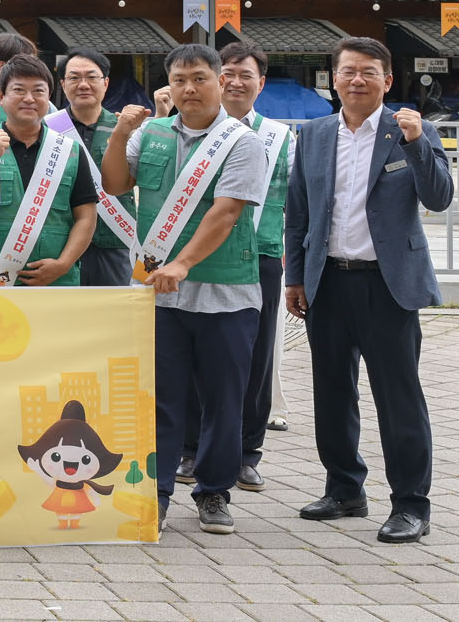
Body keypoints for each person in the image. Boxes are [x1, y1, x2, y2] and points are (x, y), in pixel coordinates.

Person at [286, 37, 447, 545]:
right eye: (348, 71)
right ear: (334, 79)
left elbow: (440, 197)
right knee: (332, 392)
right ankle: (344, 489)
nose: (357, 80)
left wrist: (417, 144)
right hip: (328, 281)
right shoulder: (314, 134)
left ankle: (411, 505)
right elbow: (298, 211)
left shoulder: (410, 130)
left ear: (387, 80)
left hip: (388, 284)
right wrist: (295, 277)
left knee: (398, 397)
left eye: (369, 72)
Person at [100, 43, 265, 536]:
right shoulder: (150, 133)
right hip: (159, 295)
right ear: (168, 84)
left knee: (223, 400)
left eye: (199, 78)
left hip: (226, 293)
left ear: (220, 81)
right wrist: (120, 134)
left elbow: (227, 211)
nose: (188, 88)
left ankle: (214, 492)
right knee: (161, 399)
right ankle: (156, 493)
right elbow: (114, 184)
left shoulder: (242, 142)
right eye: (179, 80)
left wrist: (184, 262)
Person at [178, 41, 293, 492]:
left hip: (259, 256)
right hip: (198, 257)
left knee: (256, 359)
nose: (237, 82)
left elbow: (298, 201)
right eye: (228, 73)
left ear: (261, 83)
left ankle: (247, 452)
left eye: (248, 75)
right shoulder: (192, 130)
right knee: (192, 357)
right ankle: (191, 448)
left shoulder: (281, 137)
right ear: (217, 77)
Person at [0, 55, 97, 288]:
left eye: (38, 91)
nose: (29, 99)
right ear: (0, 96)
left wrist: (63, 264)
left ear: (48, 97)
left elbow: (86, 216)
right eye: (19, 90)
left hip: (56, 281)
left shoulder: (69, 150)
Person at [49, 49, 140, 288]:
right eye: (74, 78)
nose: (83, 84)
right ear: (63, 84)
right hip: (59, 241)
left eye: (91, 77)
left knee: (115, 308)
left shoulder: (126, 129)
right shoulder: (46, 130)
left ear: (106, 83)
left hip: (113, 242)